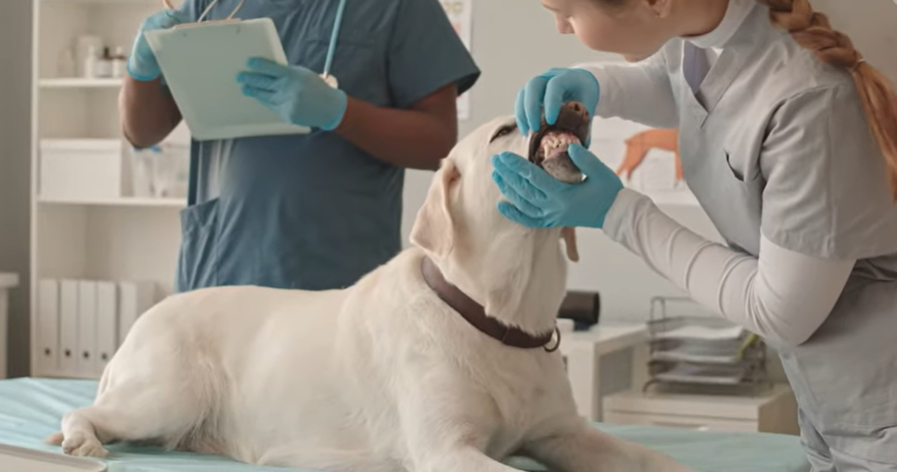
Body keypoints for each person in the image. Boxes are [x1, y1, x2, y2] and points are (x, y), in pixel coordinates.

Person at [492, 0, 897, 469]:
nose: (561, 27)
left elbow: (782, 312)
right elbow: (684, 88)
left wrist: (618, 214)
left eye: (565, 11)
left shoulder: (811, 100)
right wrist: (599, 84)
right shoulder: (710, 30)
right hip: (834, 406)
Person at [121, 0, 480, 291]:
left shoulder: (398, 7)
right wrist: (140, 73)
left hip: (334, 279)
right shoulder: (208, 5)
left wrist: (341, 112)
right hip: (219, 269)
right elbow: (142, 133)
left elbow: (438, 140)